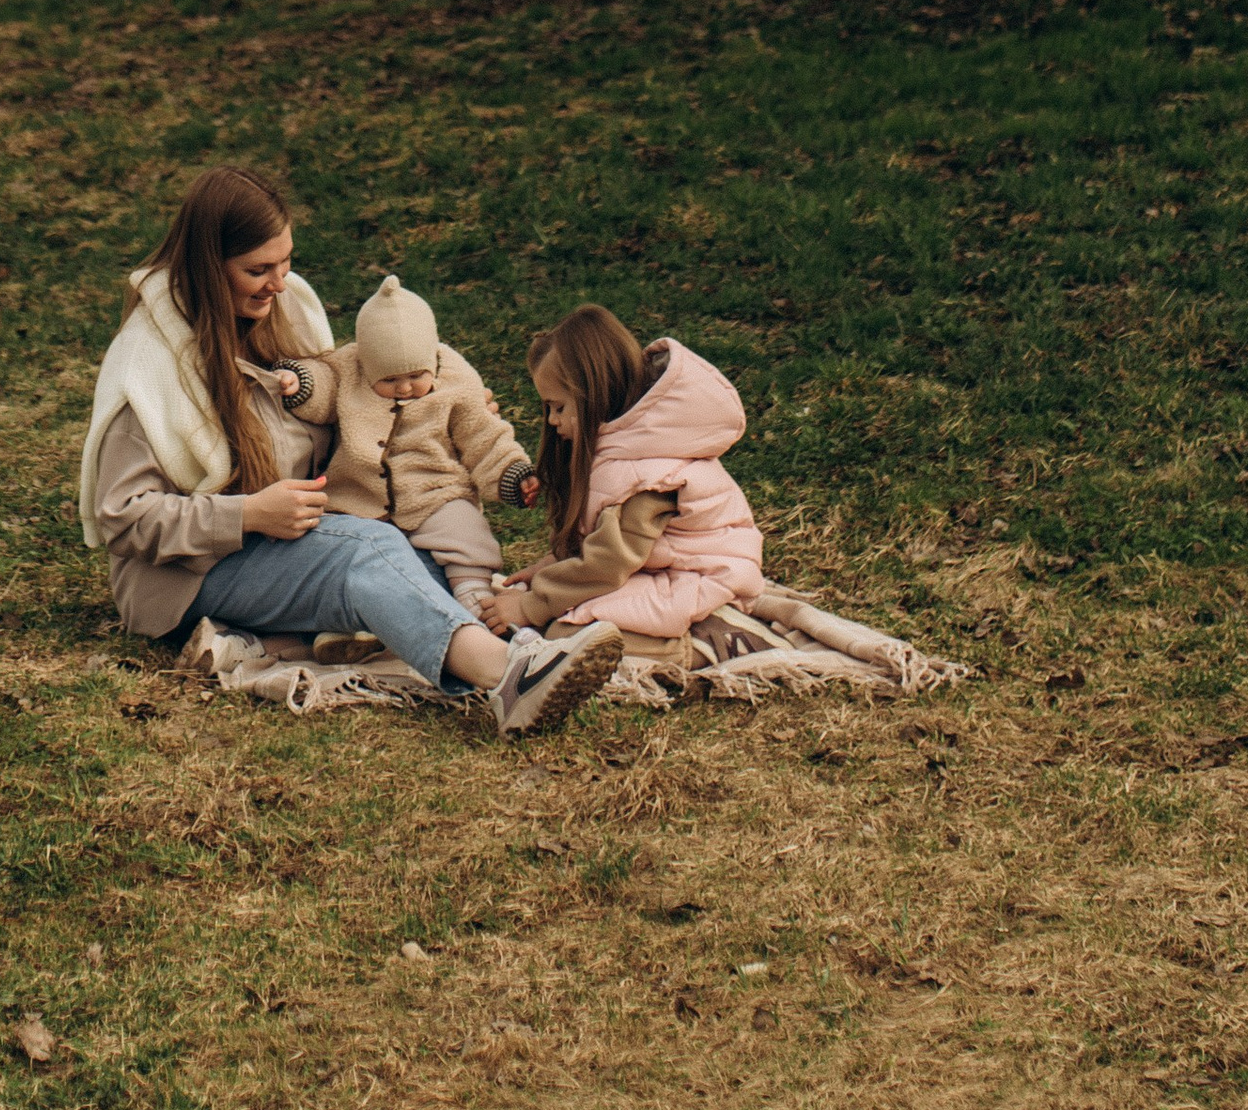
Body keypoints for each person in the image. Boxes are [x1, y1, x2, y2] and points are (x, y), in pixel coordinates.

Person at [78, 165, 619, 740]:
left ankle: (513, 649)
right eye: (257, 270)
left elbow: (352, 402)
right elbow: (123, 516)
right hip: (189, 575)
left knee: (432, 555)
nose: (279, 283)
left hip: (293, 537)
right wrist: (249, 514)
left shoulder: (285, 315)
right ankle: (509, 678)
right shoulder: (152, 364)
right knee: (368, 553)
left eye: (285, 263)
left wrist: (436, 405)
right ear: (209, 268)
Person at [481, 304, 766, 640]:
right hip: (660, 569)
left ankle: (706, 644)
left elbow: (610, 562)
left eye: (559, 407)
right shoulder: (624, 450)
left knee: (567, 633)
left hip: (708, 577)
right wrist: (551, 566)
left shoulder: (650, 474)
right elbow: (603, 540)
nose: (552, 421)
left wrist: (531, 605)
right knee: (565, 615)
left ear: (597, 395)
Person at [284, 271, 539, 605]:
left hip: (434, 492)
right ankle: (348, 621)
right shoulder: (349, 369)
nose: (404, 388)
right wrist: (300, 382)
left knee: (465, 533)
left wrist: (511, 473)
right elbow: (324, 383)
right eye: (389, 380)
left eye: (416, 376)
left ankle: (473, 593)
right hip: (357, 500)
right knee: (342, 551)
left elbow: (484, 436)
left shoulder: (455, 380)